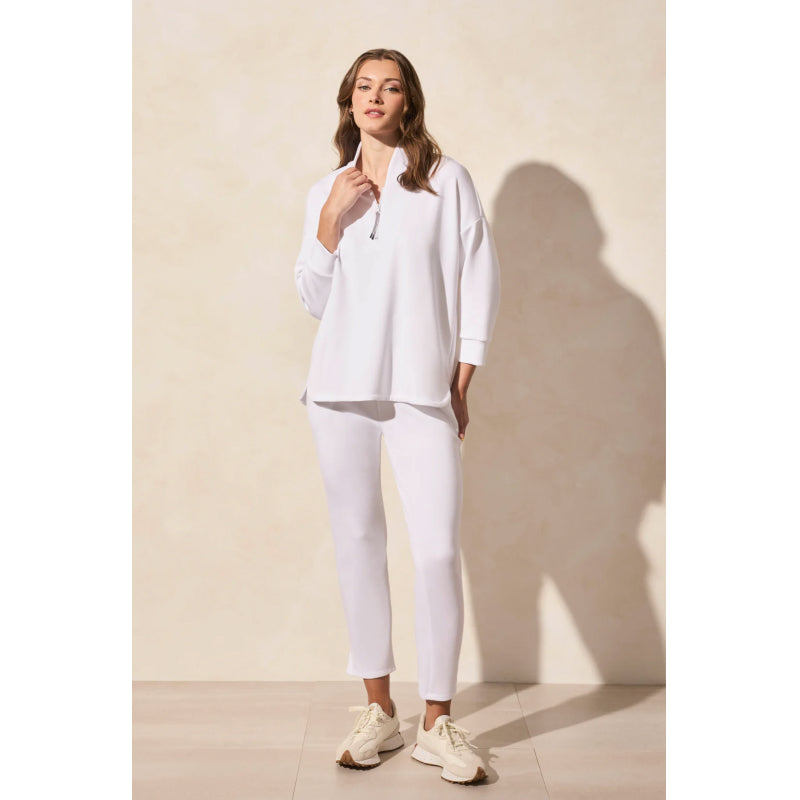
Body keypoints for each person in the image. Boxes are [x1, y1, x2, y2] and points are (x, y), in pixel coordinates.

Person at [293, 48, 500, 785]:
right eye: (363, 86)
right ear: (348, 101)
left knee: (437, 551)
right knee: (358, 543)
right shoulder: (327, 190)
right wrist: (330, 219)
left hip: (420, 391)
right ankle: (378, 709)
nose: (375, 97)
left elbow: (479, 276)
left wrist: (463, 374)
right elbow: (314, 299)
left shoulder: (447, 182)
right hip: (339, 391)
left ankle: (438, 722)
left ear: (408, 101)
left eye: (390, 87)